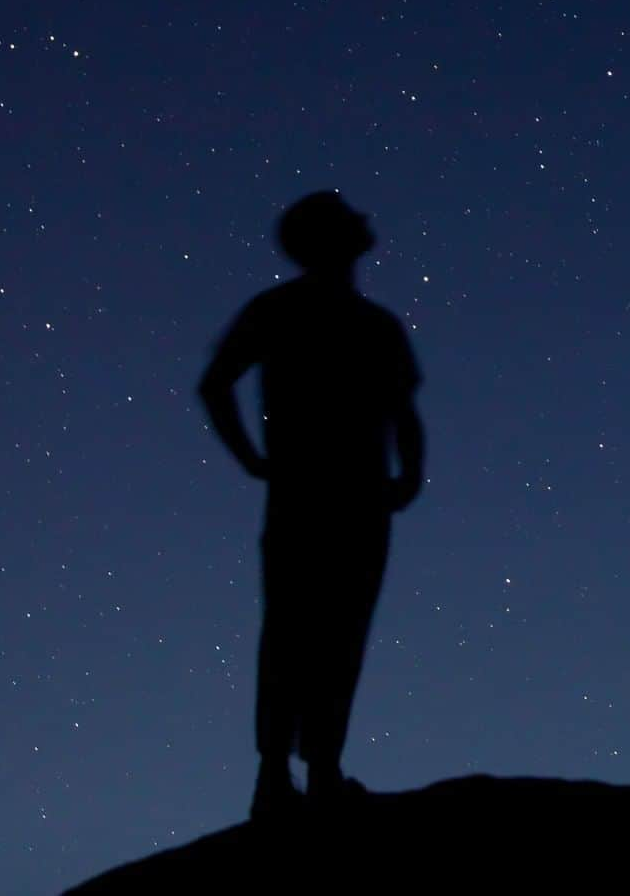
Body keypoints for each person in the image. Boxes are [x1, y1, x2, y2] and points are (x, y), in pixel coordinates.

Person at [197, 192, 425, 819]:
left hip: (342, 497)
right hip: (327, 496)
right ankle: (286, 775)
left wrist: (409, 470)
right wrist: (252, 459)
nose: (366, 220)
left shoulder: (354, 321)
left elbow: (403, 409)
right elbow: (216, 385)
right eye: (351, 217)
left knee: (322, 632)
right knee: (309, 632)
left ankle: (310, 771)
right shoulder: (316, 315)